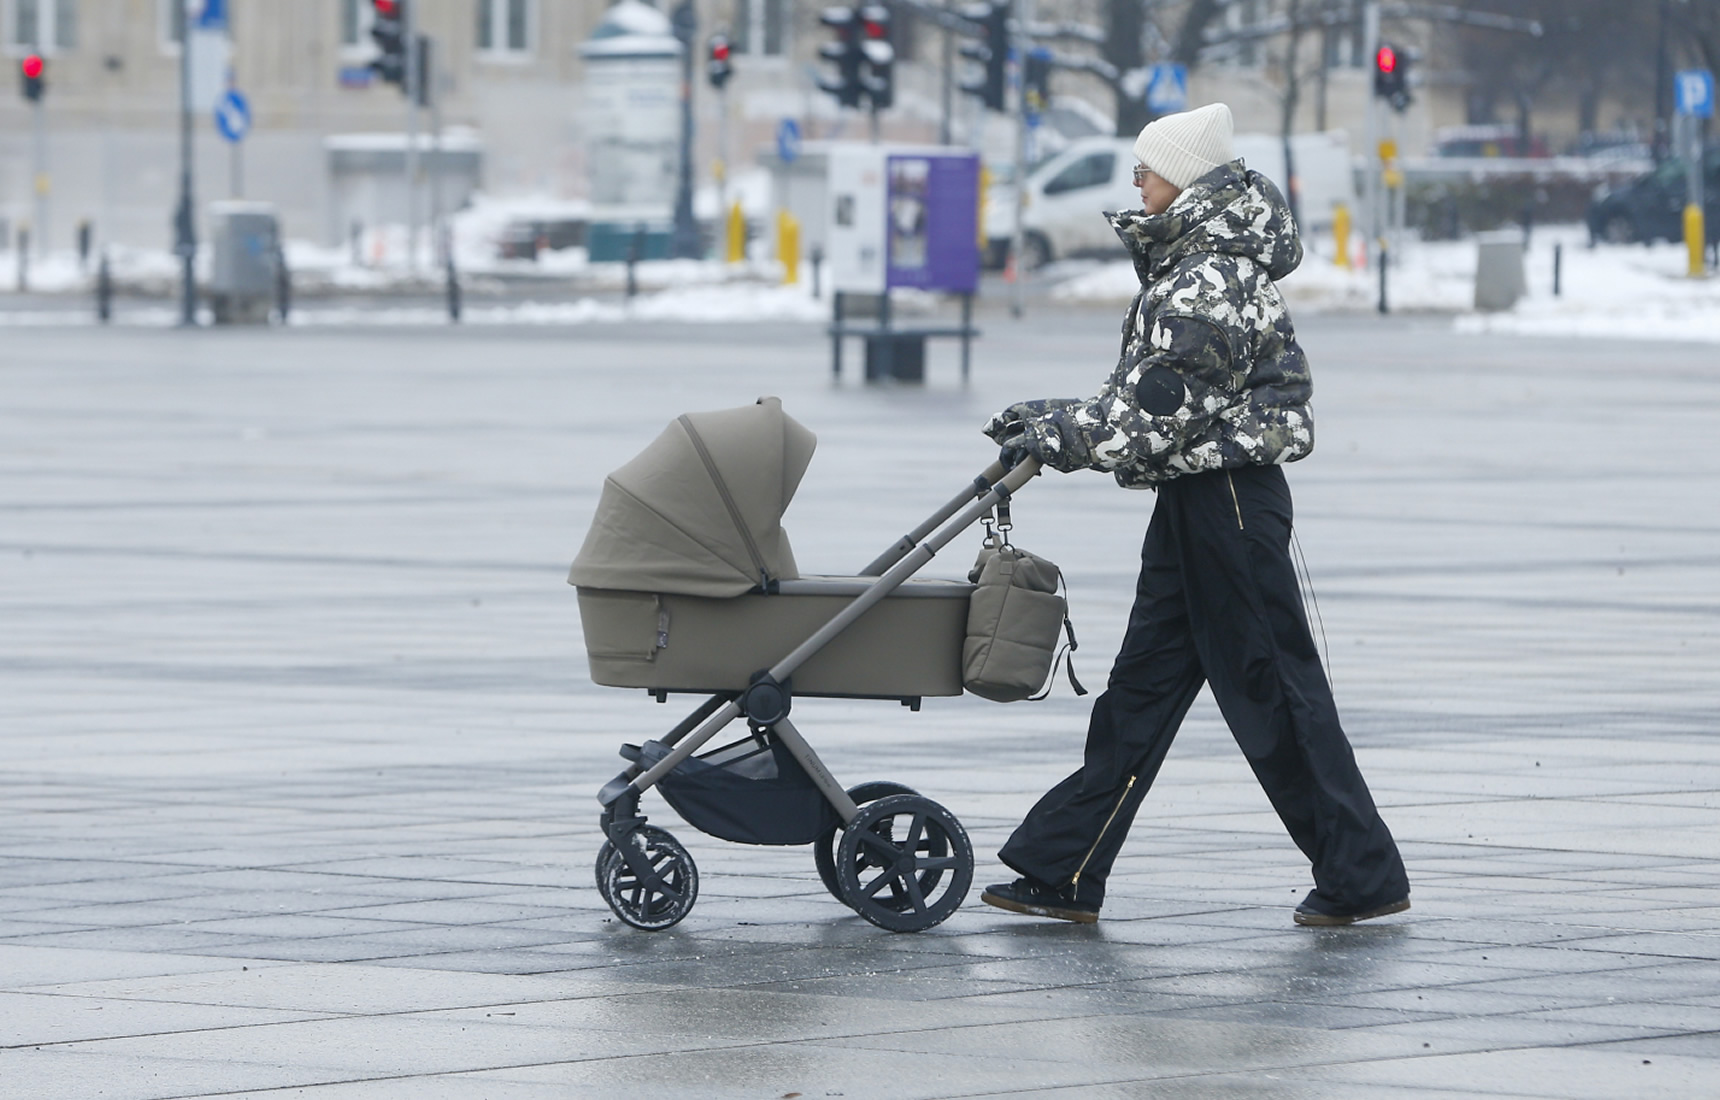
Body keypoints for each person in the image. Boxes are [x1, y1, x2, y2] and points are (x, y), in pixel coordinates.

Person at [979, 102, 1410, 928]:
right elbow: (1148, 399)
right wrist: (1051, 415)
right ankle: (1065, 867)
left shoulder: (1209, 277)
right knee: (1139, 691)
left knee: (1276, 691)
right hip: (1197, 501)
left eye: (1146, 166)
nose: (1135, 179)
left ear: (1186, 175)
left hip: (1230, 506)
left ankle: (1362, 874)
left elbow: (1153, 417)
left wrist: (1060, 435)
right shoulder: (1192, 266)